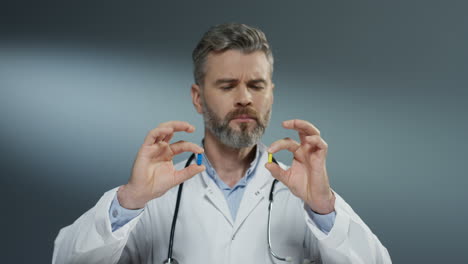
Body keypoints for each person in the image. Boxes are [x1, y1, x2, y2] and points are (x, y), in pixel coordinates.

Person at [53, 23, 391, 264]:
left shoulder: (303, 194)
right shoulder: (154, 196)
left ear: (271, 95)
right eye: (228, 85)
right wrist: (129, 200)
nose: (244, 98)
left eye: (257, 85)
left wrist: (323, 208)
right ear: (198, 98)